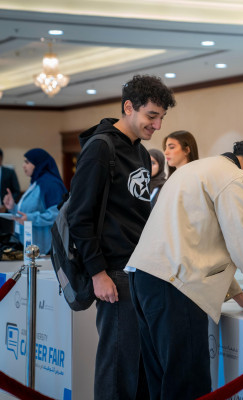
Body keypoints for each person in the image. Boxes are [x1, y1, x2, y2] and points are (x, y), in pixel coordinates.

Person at [126, 138, 243, 399]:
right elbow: (242, 245)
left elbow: (208, 242)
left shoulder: (196, 169)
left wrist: (238, 296)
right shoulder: (234, 178)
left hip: (145, 277)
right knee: (186, 384)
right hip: (176, 286)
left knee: (160, 380)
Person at [67, 74, 176, 400]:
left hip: (140, 272)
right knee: (117, 366)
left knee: (141, 367)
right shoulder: (100, 148)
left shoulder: (141, 154)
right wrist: (98, 273)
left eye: (161, 118)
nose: (157, 126)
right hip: (113, 272)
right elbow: (79, 216)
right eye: (151, 116)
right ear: (129, 107)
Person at [2, 148, 66, 254]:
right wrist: (13, 207)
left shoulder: (50, 184)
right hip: (32, 245)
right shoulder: (36, 183)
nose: (23, 165)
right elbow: (27, 213)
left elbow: (57, 214)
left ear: (38, 164)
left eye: (27, 162)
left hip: (46, 248)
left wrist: (30, 218)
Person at [0, 148, 21, 234]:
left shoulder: (9, 172)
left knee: (6, 237)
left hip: (5, 211)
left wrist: (6, 205)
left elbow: (16, 191)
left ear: (0, 158)